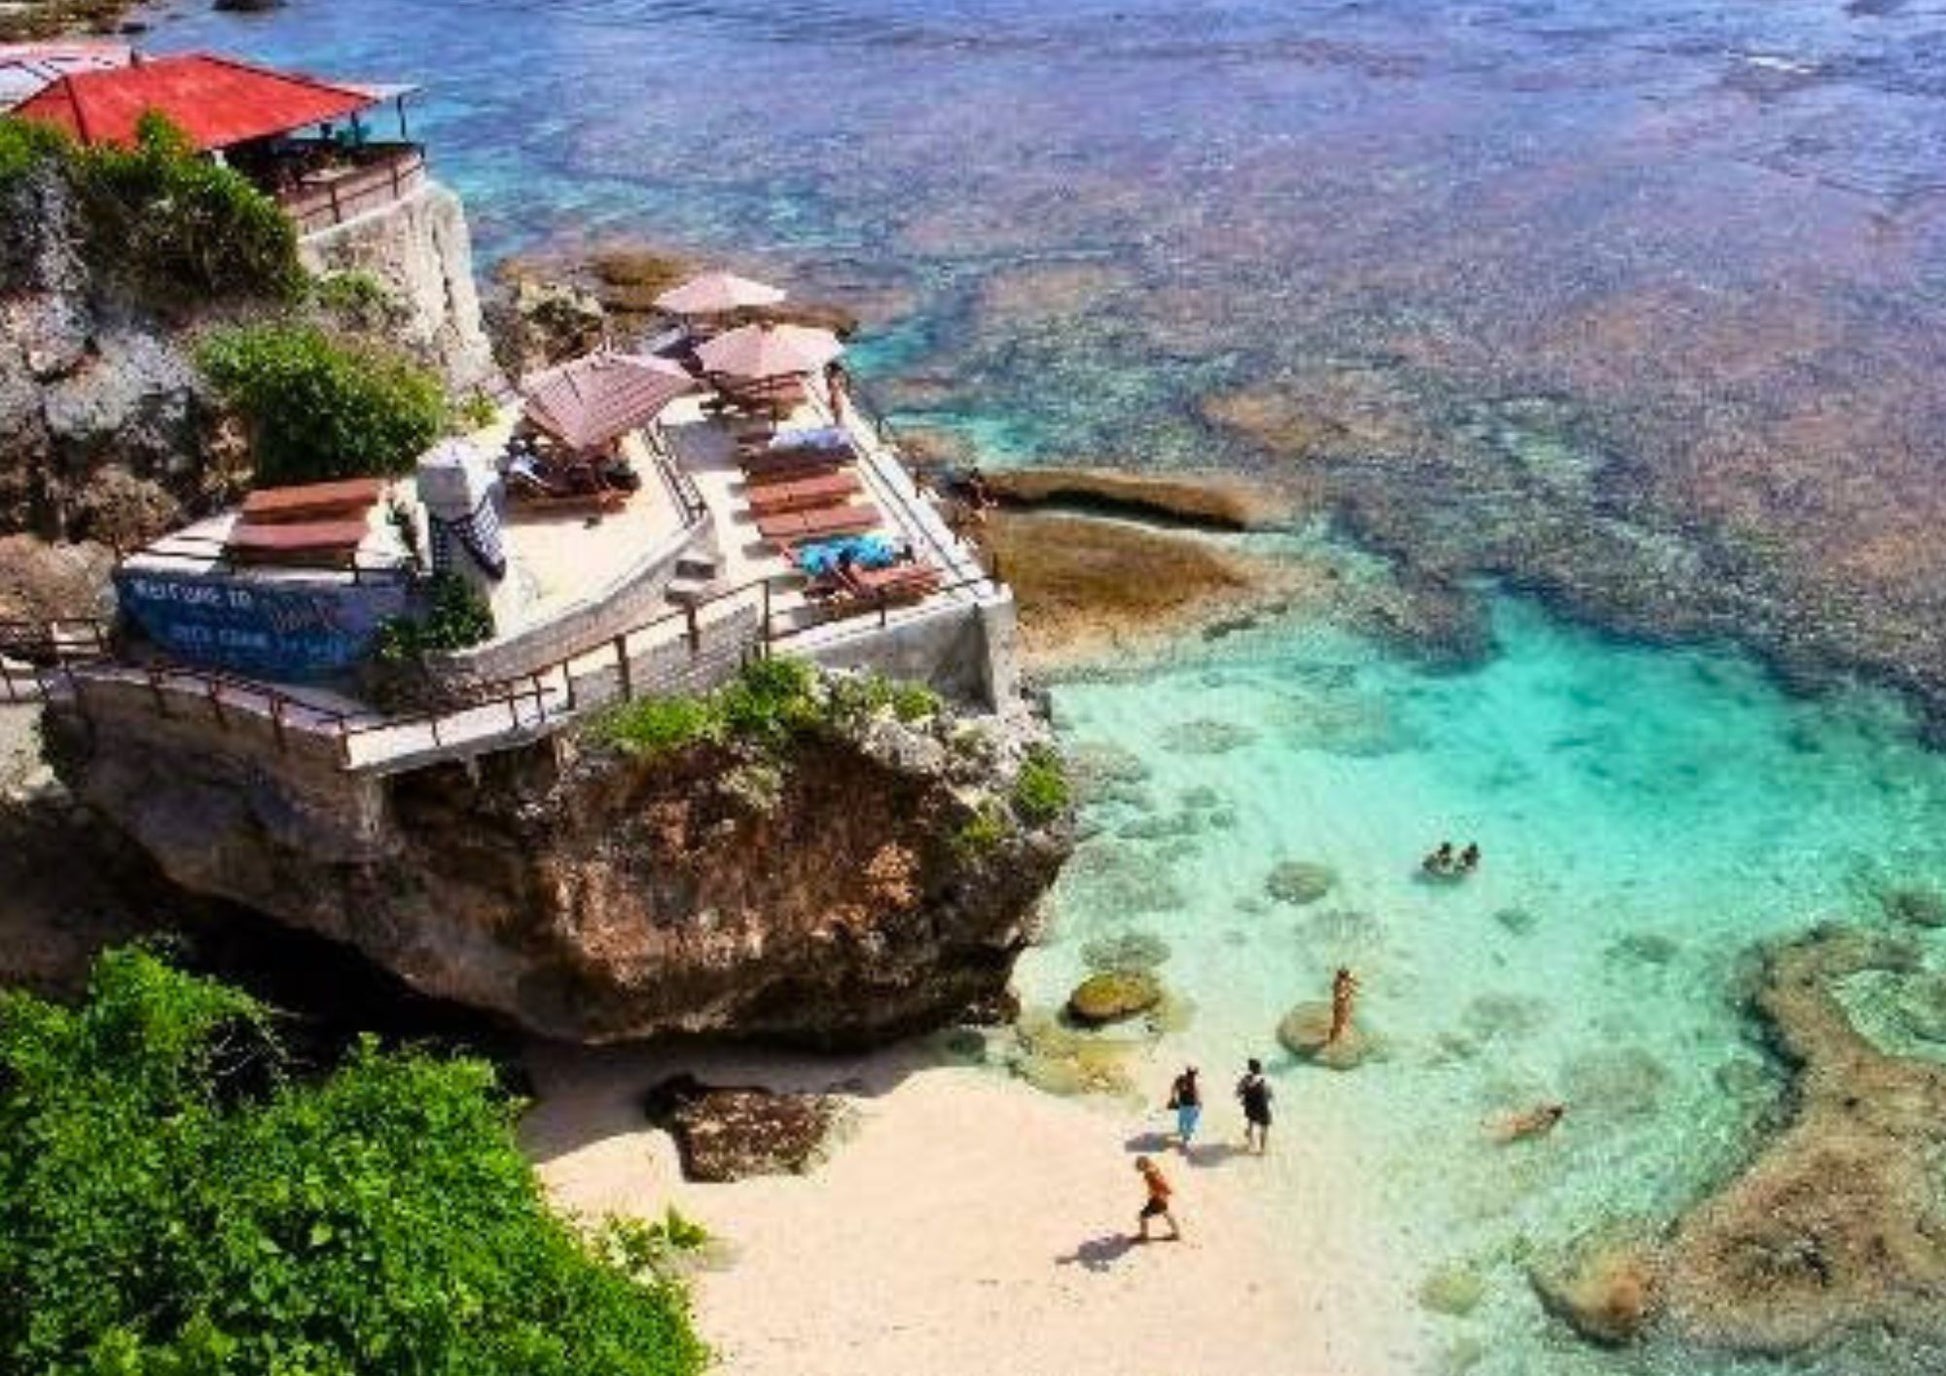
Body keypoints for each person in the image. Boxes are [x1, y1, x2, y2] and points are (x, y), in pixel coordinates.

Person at [1134, 1156, 1181, 1242]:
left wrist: (1159, 1192)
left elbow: (1160, 1184)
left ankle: (1144, 1236)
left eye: (1139, 1165)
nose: (1137, 1167)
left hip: (1158, 1199)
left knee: (1143, 1216)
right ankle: (1176, 1233)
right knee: (1166, 1214)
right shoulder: (1154, 1168)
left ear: (1143, 1164)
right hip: (1160, 1198)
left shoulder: (1149, 1174)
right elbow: (1161, 1182)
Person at [1236, 1058, 1273, 1154]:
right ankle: (1262, 1150)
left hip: (1250, 1107)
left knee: (1251, 1123)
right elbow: (1270, 1095)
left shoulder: (1246, 1079)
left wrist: (1244, 1096)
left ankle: (1249, 1144)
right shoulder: (1264, 1080)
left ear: (1249, 1069)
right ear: (1260, 1068)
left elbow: (1238, 1092)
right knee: (1264, 1128)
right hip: (1262, 1107)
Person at [1489, 1102, 1567, 1143]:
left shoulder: (1547, 1113)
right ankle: (1494, 1132)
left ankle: (1492, 1128)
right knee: (1514, 1132)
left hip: (1529, 1119)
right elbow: (1544, 1129)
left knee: (1513, 1125)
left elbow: (1539, 1107)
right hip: (1531, 1125)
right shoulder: (1552, 1120)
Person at [1167, 1067, 1202, 1151]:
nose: (1194, 1077)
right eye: (1194, 1075)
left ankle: (1183, 1135)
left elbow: (1173, 1088)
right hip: (1191, 1106)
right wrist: (1199, 1103)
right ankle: (1185, 1139)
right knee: (1190, 1123)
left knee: (1183, 1121)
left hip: (1183, 1105)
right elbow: (1196, 1094)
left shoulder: (1181, 1079)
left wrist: (1173, 1097)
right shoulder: (1191, 1082)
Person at [1327, 967, 1360, 1046]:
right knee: (1338, 1022)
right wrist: (1348, 993)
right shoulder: (1339, 984)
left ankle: (1335, 1036)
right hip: (1340, 1005)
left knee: (1340, 1021)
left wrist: (1352, 989)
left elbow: (1351, 983)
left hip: (1341, 1004)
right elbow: (1340, 995)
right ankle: (1332, 1039)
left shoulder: (1341, 982)